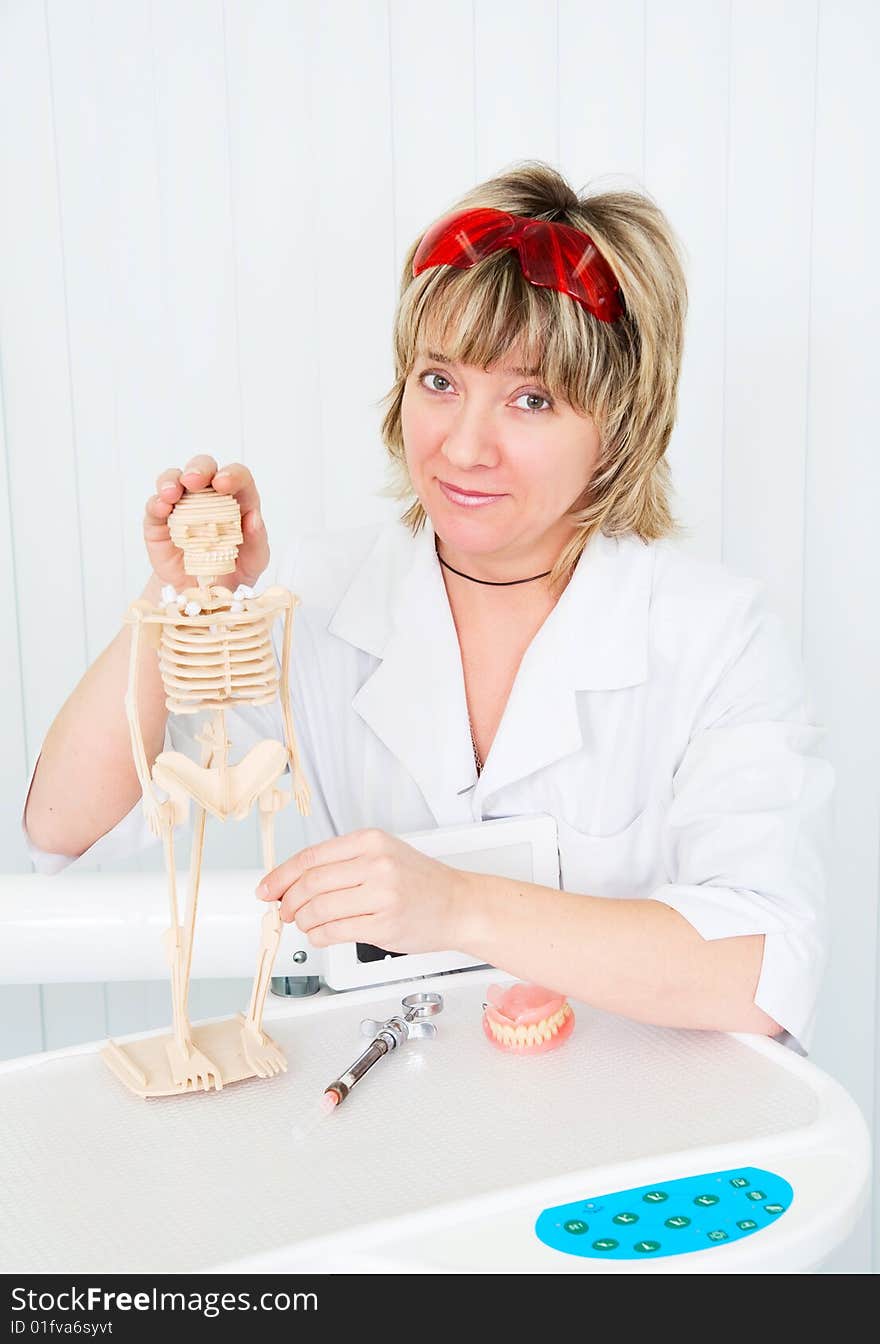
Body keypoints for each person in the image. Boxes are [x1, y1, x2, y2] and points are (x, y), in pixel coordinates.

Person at [22, 162, 833, 1054]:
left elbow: (763, 970)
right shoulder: (323, 598)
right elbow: (64, 827)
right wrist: (179, 590)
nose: (463, 445)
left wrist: (458, 904)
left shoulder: (714, 635)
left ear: (622, 425)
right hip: (401, 1105)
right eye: (440, 381)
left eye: (531, 399)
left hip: (643, 1134)